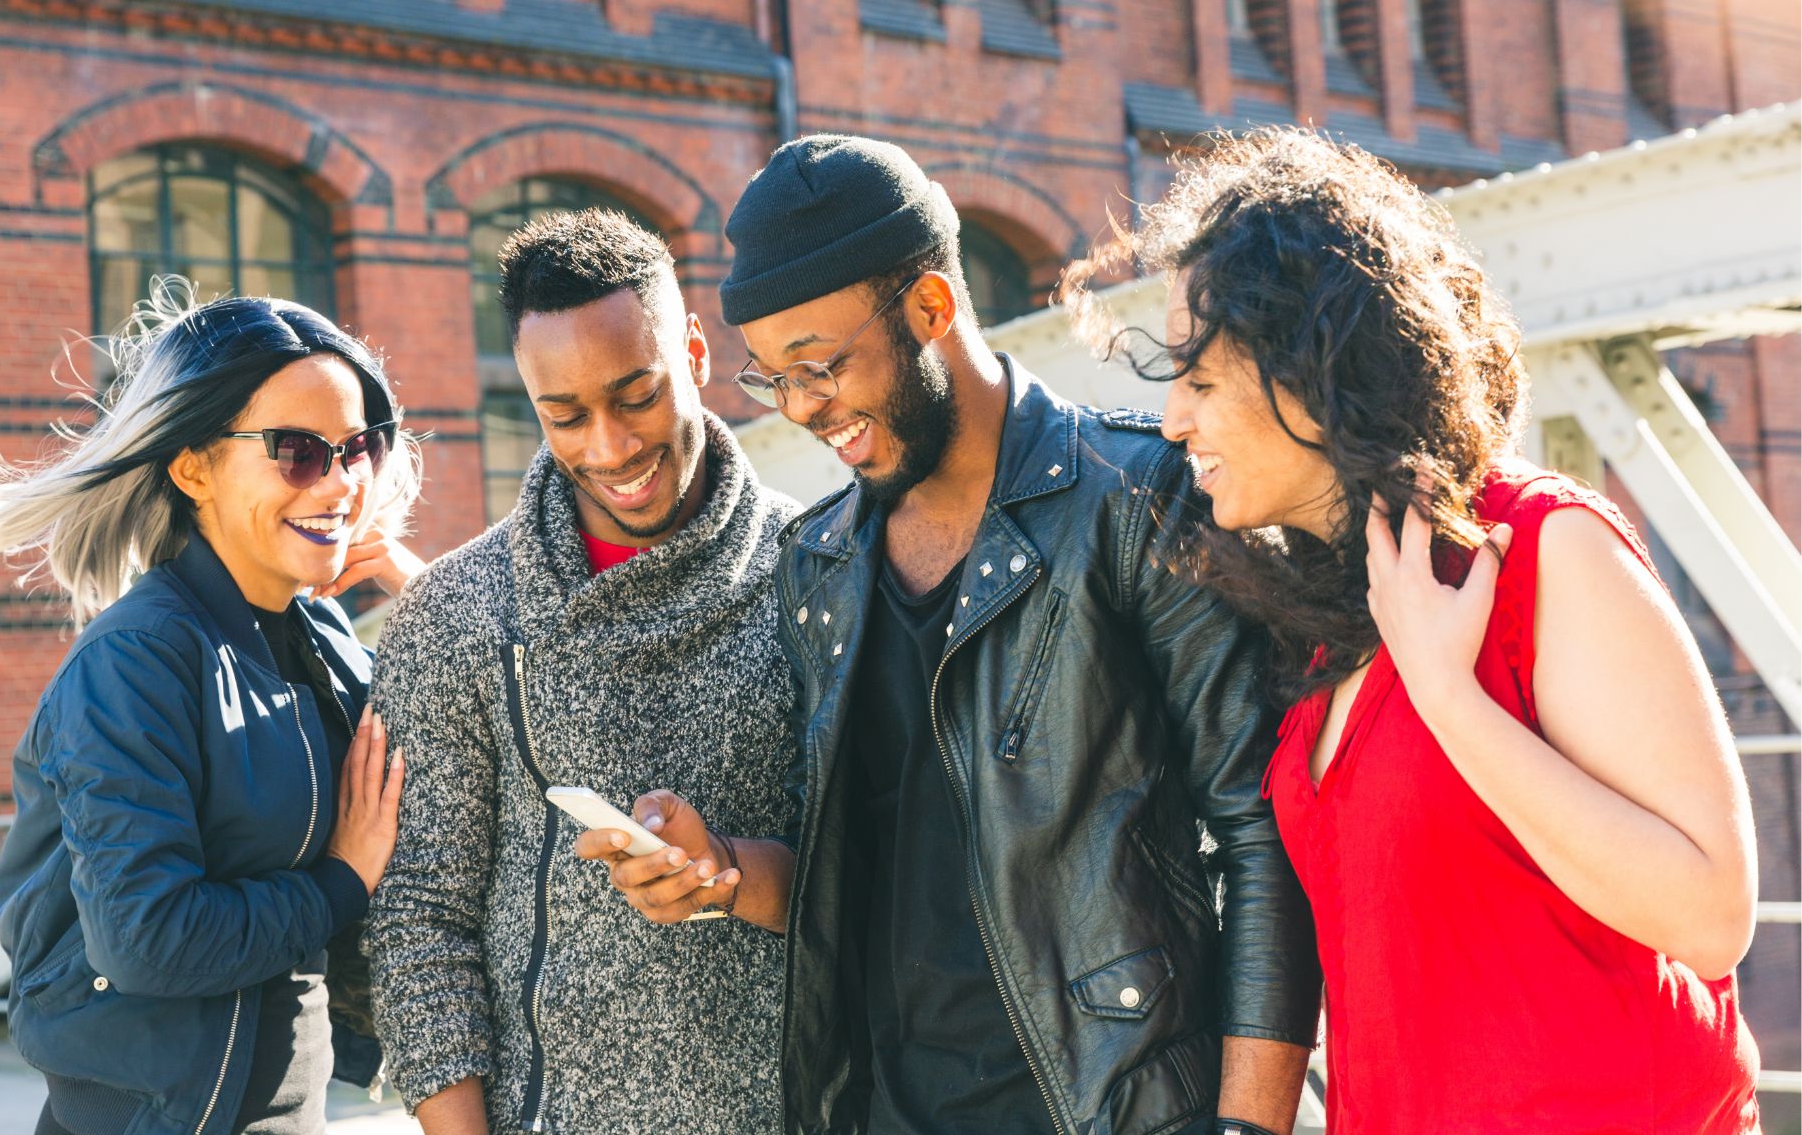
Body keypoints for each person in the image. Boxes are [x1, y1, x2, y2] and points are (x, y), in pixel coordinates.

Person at [584, 135, 1322, 1135]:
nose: (802, 409)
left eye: (819, 366)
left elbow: (1262, 840)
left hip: (1115, 1108)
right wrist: (715, 868)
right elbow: (864, 865)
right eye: (770, 381)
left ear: (930, 308)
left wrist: (1247, 1127)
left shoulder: (1134, 502)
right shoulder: (820, 564)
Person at [1070, 127, 1762, 1131]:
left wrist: (1450, 698)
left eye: (1201, 379)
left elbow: (1708, 916)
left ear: (1309, 369)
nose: (1172, 420)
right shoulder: (1326, 627)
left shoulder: (1535, 549)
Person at [0, 281, 422, 1135]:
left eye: (359, 447)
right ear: (193, 466)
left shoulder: (322, 638)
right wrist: (339, 884)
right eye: (298, 451)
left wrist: (424, 594)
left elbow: (486, 763)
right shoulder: (138, 660)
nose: (341, 482)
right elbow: (146, 936)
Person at [362, 209, 801, 1134]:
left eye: (637, 396)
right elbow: (418, 922)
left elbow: (885, 877)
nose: (608, 447)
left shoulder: (819, 571)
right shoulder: (453, 614)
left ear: (693, 350)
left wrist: (725, 873)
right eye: (564, 415)